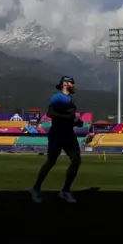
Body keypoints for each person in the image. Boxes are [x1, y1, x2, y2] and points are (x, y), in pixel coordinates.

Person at [29, 76, 83, 204]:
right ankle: (36, 188)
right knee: (51, 161)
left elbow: (65, 117)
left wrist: (75, 122)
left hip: (68, 133)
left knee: (75, 160)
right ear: (65, 84)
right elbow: (50, 113)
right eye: (72, 83)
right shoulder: (60, 98)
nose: (74, 85)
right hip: (58, 134)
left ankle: (65, 191)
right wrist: (70, 118)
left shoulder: (68, 99)